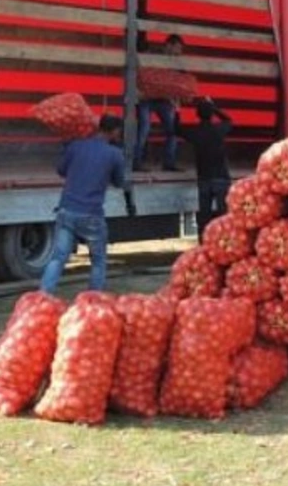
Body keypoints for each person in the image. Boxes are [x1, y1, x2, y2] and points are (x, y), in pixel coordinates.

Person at [40, 114, 134, 294]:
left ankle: (44, 295)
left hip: (66, 210)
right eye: (119, 132)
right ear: (114, 131)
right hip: (91, 214)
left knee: (58, 258)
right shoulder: (114, 154)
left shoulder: (76, 146)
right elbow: (119, 182)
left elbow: (61, 171)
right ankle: (92, 301)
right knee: (98, 260)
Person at [176, 96, 233, 238]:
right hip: (221, 177)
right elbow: (228, 120)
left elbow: (176, 128)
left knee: (204, 216)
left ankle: (204, 243)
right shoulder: (219, 129)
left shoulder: (196, 132)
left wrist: (177, 110)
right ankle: (226, 243)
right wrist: (213, 108)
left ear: (197, 115)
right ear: (211, 114)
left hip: (204, 178)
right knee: (224, 215)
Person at [134, 33, 185, 172]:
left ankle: (169, 163)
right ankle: (136, 162)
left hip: (164, 99)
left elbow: (178, 82)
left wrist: (176, 100)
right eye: (177, 48)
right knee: (143, 130)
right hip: (147, 97)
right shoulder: (152, 54)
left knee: (172, 131)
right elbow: (140, 71)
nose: (179, 52)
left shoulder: (177, 63)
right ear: (169, 45)